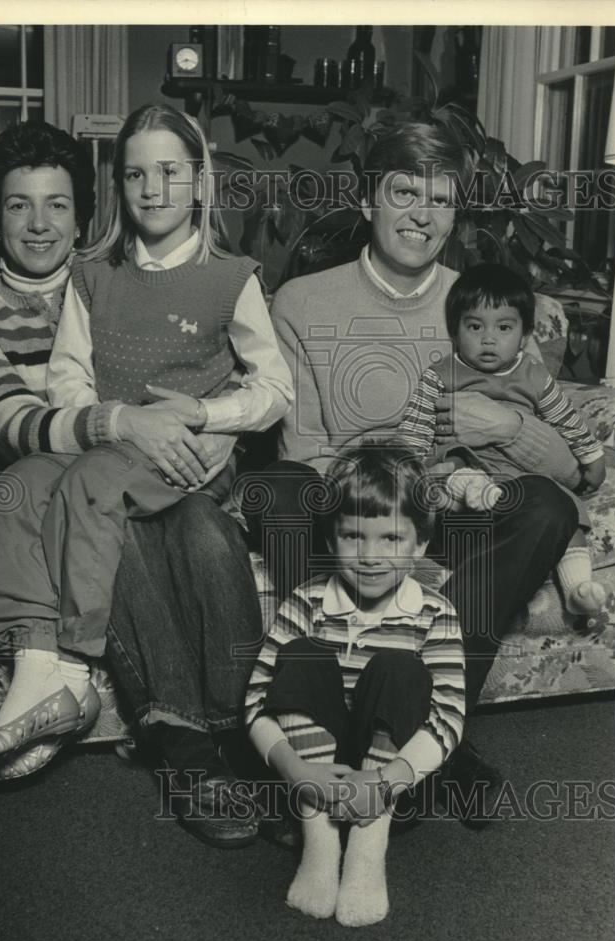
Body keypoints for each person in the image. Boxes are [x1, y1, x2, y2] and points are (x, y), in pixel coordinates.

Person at [0, 115, 288, 847]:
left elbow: (263, 384)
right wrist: (124, 422)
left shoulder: (206, 277)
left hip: (185, 466)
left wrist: (211, 423)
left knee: (196, 523)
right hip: (88, 474)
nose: (38, 225)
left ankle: (248, 738)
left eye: (57, 205)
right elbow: (29, 418)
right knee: (94, 504)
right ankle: (176, 742)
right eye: (17, 205)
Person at [242, 116, 580, 815]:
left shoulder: (489, 308)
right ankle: (336, 735)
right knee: (278, 490)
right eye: (403, 193)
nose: (422, 215)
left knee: (544, 506)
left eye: (441, 198)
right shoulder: (302, 302)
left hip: (452, 513)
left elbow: (569, 470)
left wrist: (505, 423)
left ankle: (416, 724)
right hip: (353, 512)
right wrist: (407, 473)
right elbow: (302, 453)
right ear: (369, 201)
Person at [244, 445, 464, 925]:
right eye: (352, 536)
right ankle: (319, 839)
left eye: (391, 538)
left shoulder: (435, 614)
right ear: (332, 536)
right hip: (311, 772)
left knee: (400, 668)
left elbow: (448, 718)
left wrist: (387, 782)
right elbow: (258, 700)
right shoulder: (307, 600)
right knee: (298, 654)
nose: (369, 556)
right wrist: (294, 770)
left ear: (421, 544)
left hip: (392, 780)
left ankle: (367, 846)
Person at [398, 262, 607, 616]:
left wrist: (592, 459)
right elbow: (413, 437)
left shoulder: (535, 376)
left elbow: (568, 421)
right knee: (454, 476)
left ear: (525, 335)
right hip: (462, 478)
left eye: (504, 327)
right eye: (475, 326)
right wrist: (413, 481)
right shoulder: (439, 376)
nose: (489, 339)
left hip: (521, 481)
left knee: (567, 517)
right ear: (454, 332)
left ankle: (578, 591)